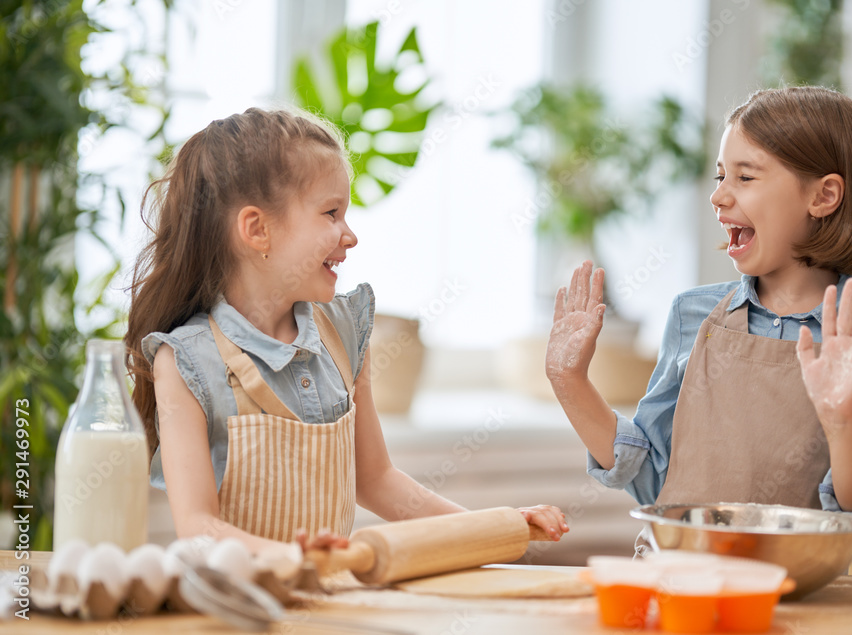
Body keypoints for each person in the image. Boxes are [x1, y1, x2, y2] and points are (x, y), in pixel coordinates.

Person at [124, 107, 568, 558]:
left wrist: (493, 526)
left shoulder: (341, 333)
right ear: (257, 229)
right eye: (331, 213)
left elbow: (377, 481)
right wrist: (296, 559)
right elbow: (198, 528)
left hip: (331, 605)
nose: (349, 235)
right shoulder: (184, 361)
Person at [545, 86, 852, 541]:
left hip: (797, 597)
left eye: (745, 178)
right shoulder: (694, 314)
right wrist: (570, 382)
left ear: (824, 196)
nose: (719, 197)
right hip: (676, 580)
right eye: (720, 176)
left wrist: (842, 420)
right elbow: (653, 478)